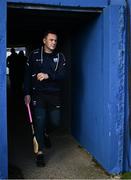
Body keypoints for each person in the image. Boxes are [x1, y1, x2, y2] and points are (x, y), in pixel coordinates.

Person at [24, 30, 67, 167]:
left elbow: (62, 76)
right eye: (51, 40)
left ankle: (46, 132)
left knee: (55, 122)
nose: (53, 42)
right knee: (40, 122)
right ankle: (40, 153)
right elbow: (27, 75)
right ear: (44, 40)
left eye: (55, 40)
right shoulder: (34, 55)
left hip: (54, 95)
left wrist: (48, 75)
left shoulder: (60, 57)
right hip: (39, 95)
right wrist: (27, 93)